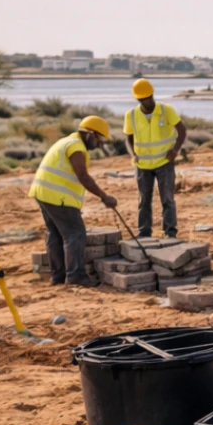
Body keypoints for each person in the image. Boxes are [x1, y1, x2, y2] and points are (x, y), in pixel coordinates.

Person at [29, 115, 120, 287]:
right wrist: (104, 196)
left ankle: (58, 277)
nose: (99, 145)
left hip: (43, 193)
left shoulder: (66, 141)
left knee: (55, 234)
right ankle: (76, 277)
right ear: (90, 134)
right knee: (75, 234)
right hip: (58, 197)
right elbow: (83, 176)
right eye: (99, 140)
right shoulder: (76, 147)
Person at [122, 78, 186, 238]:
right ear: (138, 99)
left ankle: (170, 232)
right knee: (144, 200)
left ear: (153, 94)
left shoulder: (166, 110)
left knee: (167, 199)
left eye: (149, 97)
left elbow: (182, 130)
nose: (147, 102)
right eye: (143, 99)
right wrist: (133, 154)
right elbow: (128, 137)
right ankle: (144, 232)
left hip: (164, 162)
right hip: (142, 165)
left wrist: (175, 150)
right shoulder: (131, 115)